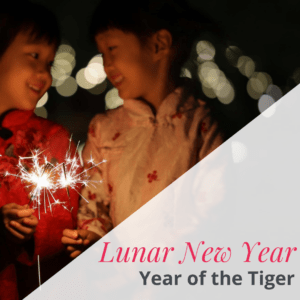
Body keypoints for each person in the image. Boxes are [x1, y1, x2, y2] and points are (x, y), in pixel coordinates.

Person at [62, 0, 224, 258]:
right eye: (102, 52)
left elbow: (214, 209)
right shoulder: (104, 129)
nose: (106, 64)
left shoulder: (201, 126)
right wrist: (90, 237)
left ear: (159, 45)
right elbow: (94, 200)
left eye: (112, 48)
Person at [0, 2, 80, 299]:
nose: (44, 74)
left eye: (49, 63)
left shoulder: (51, 139)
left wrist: (25, 229)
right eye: (34, 55)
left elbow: (64, 218)